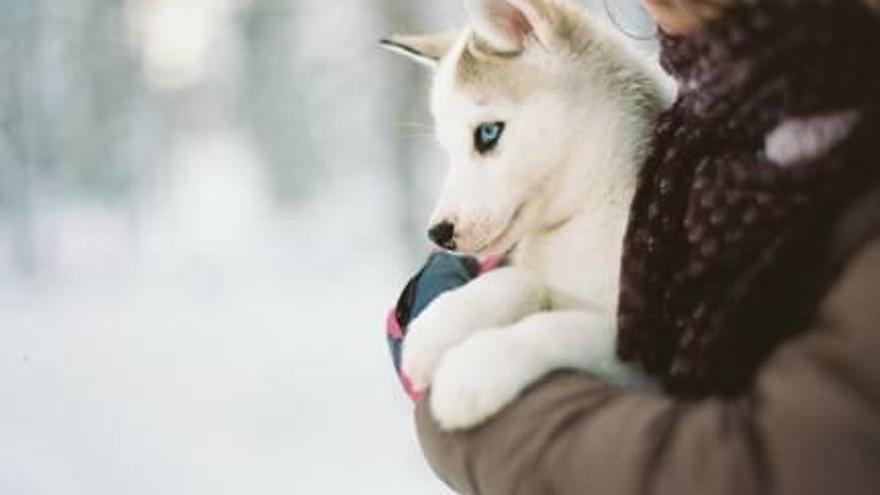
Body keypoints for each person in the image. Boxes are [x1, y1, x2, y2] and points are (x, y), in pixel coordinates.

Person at [399, 0, 880, 493]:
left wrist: (498, 386)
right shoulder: (700, 138)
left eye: (487, 135)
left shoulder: (792, 170)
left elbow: (750, 460)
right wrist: (503, 295)